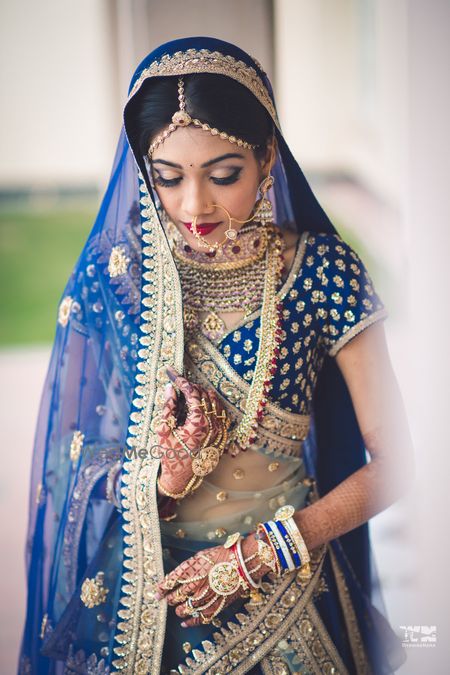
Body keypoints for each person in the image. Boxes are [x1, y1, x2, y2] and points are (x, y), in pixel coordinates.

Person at [18, 37, 414, 675]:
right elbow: (79, 461)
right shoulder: (121, 279)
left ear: (265, 158)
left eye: (223, 174)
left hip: (283, 586)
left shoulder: (321, 273)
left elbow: (398, 463)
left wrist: (266, 551)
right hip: (141, 595)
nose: (194, 206)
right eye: (168, 178)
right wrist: (162, 480)